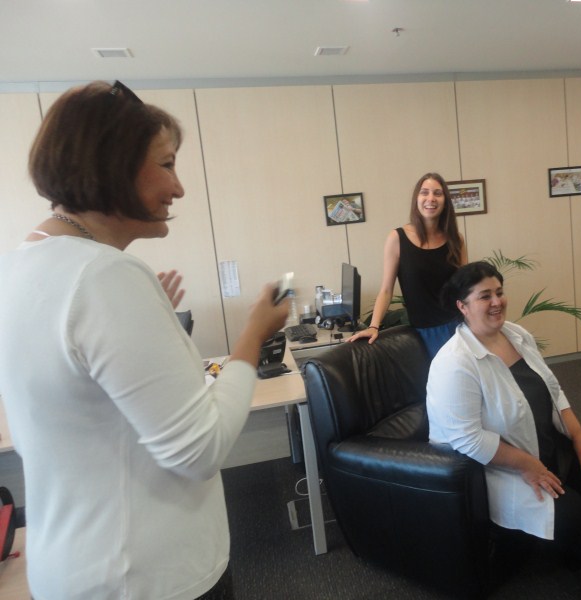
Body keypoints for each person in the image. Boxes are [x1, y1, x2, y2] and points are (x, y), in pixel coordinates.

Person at [0, 81, 288, 599]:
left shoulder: (21, 266)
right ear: (113, 164)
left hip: (72, 569)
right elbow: (200, 449)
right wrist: (254, 332)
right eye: (167, 164)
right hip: (147, 578)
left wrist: (150, 321)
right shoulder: (103, 276)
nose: (178, 188)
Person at [426, 261, 581, 600]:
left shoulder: (516, 335)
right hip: (496, 467)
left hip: (541, 444)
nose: (497, 302)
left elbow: (552, 389)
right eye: (484, 296)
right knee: (569, 515)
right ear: (463, 306)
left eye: (499, 292)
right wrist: (527, 465)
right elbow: (467, 439)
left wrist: (578, 434)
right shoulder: (454, 362)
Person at [347, 172, 466, 357]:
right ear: (416, 199)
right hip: (425, 333)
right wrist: (373, 326)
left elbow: (466, 288)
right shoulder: (397, 238)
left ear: (445, 201)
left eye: (437, 193)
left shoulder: (456, 239)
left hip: (460, 327)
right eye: (424, 192)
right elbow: (386, 290)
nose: (431, 198)